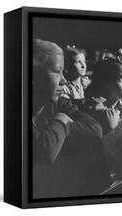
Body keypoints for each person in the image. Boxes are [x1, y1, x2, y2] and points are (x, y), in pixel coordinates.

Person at [32, 39, 110, 198]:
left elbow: (95, 128)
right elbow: (45, 151)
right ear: (33, 74)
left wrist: (61, 127)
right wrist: (61, 119)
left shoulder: (56, 102)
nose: (64, 80)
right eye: (56, 71)